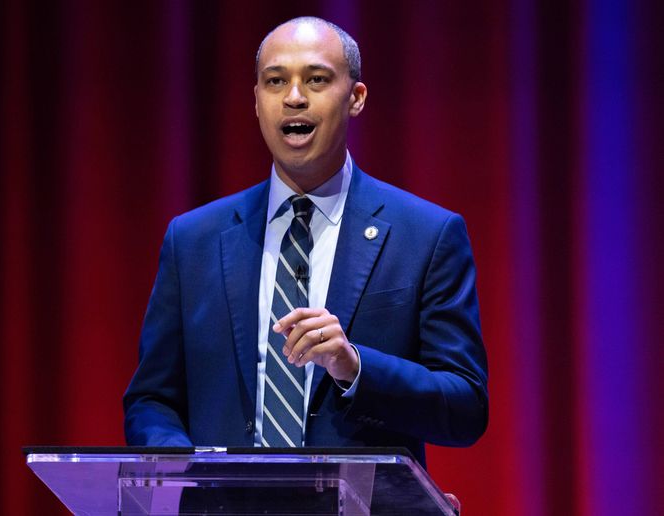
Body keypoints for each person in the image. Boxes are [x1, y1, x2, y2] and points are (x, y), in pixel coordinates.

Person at [123, 16, 488, 467]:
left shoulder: (426, 235)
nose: (294, 97)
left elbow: (466, 406)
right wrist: (187, 468)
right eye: (275, 81)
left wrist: (354, 367)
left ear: (355, 98)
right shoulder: (193, 239)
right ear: (256, 101)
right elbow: (151, 401)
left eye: (316, 80)